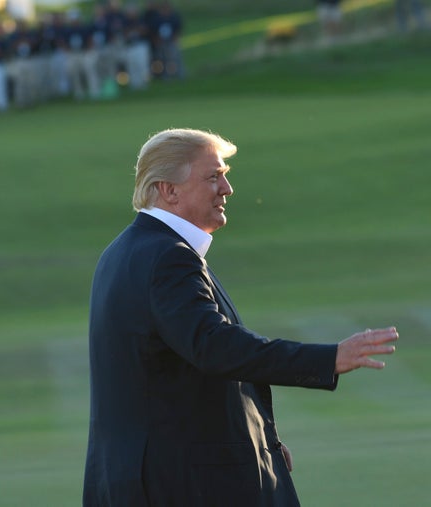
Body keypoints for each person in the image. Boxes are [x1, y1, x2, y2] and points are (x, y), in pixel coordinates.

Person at [82, 128, 399, 506]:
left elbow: (181, 376)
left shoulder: (123, 252)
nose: (227, 188)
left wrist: (263, 444)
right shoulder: (169, 257)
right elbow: (215, 348)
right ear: (169, 190)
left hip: (143, 481)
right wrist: (327, 358)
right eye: (213, 177)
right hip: (181, 486)